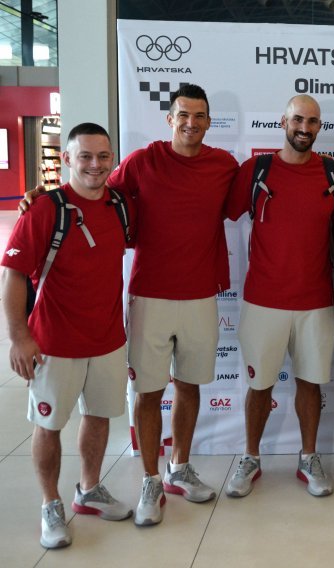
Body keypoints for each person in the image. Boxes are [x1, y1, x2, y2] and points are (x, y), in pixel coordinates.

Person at [105, 84, 238, 525]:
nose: (191, 123)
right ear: (170, 118)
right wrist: (41, 201)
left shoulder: (223, 165)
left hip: (201, 294)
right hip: (150, 295)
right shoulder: (143, 160)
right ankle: (149, 480)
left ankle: (179, 467)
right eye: (184, 114)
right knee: (148, 391)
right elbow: (98, 198)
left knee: (190, 385)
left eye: (200, 116)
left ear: (209, 121)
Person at [2, 123, 134, 548]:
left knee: (98, 417)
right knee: (49, 424)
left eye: (103, 156)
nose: (95, 165)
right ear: (66, 160)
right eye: (85, 157)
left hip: (108, 339)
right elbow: (14, 276)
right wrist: (19, 338)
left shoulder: (120, 205)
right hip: (54, 343)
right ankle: (50, 505)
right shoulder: (45, 209)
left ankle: (89, 490)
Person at [223, 95, 334, 498]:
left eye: (312, 122)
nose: (304, 128)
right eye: (298, 119)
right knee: (259, 386)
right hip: (263, 300)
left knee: (311, 384)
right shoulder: (256, 170)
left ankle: (309, 457)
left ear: (319, 127)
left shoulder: (333, 174)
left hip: (315, 302)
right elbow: (214, 211)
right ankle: (251, 457)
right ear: (283, 122)